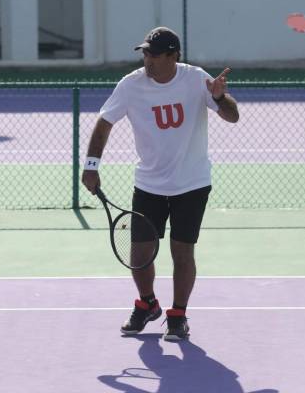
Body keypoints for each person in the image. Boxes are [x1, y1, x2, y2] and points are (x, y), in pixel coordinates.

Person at [81, 26, 239, 341]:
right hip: (149, 185)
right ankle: (147, 304)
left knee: (182, 252)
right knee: (139, 254)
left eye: (153, 55)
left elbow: (232, 116)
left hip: (191, 184)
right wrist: (91, 165)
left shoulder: (195, 79)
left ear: (173, 56)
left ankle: (178, 315)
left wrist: (219, 96)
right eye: (144, 54)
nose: (147, 60)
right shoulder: (131, 85)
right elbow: (104, 123)